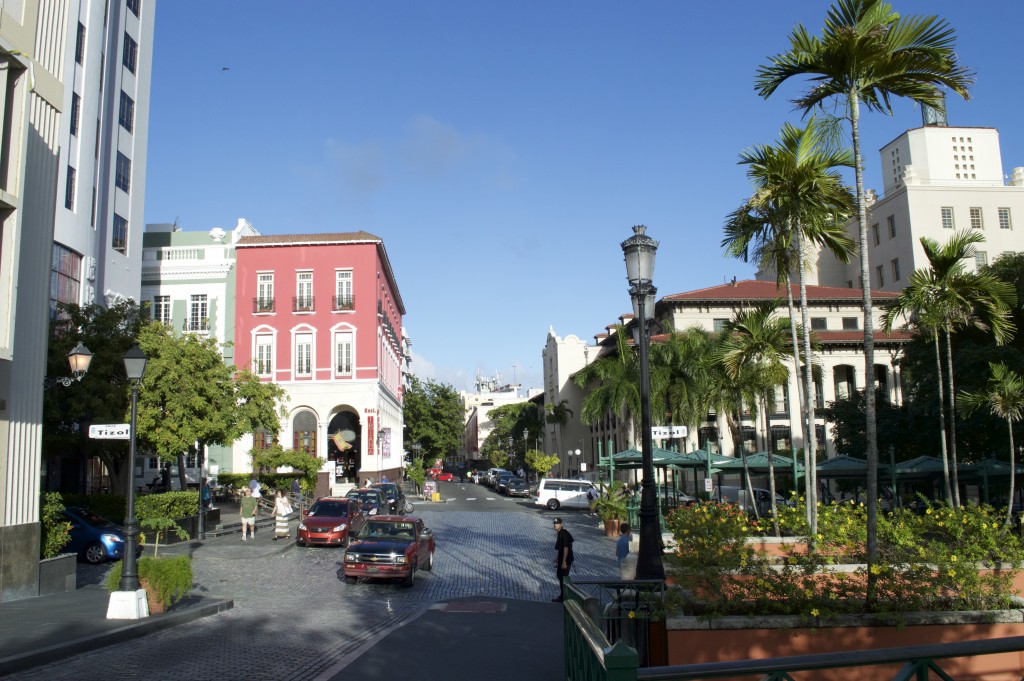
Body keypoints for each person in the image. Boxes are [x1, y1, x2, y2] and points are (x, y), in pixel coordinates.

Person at [552, 517, 574, 602]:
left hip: (566, 559)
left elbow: (566, 548)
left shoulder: (563, 533)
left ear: (561, 524)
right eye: (554, 523)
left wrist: (564, 561)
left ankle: (564, 597)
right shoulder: (560, 533)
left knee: (563, 577)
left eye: (557, 523)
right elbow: (560, 548)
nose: (555, 525)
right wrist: (557, 559)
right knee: (560, 576)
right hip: (563, 559)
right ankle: (563, 596)